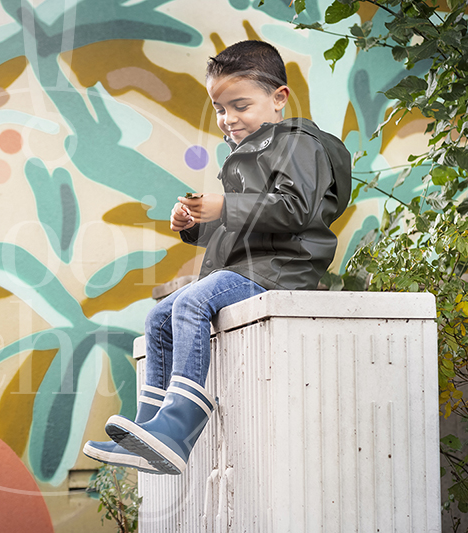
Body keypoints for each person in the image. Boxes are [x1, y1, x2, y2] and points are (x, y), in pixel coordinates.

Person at [83, 40, 352, 475]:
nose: (228, 120)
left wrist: (225, 205)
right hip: (246, 267)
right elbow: (239, 227)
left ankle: (180, 426)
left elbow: (295, 209)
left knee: (191, 302)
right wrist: (194, 223)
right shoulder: (248, 154)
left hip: (282, 270)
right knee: (158, 318)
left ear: (279, 98)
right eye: (221, 109)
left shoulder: (298, 145)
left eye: (240, 105)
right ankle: (150, 428)